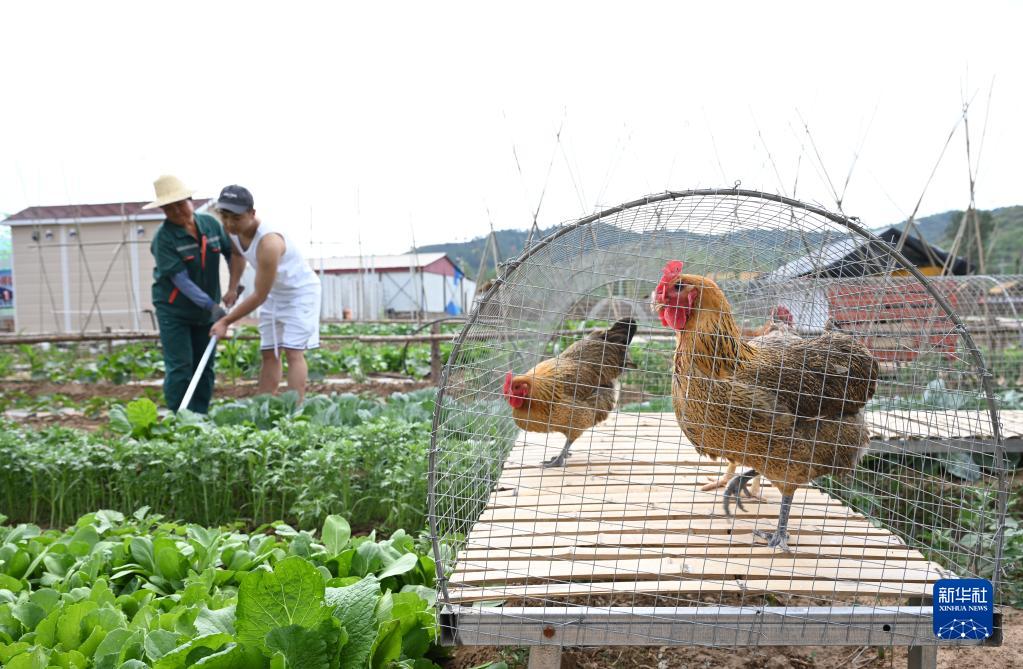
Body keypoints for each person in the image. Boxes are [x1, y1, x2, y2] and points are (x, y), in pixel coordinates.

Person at [211, 185, 321, 402]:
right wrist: (233, 287)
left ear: (252, 213)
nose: (230, 223)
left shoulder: (269, 242)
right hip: (274, 292)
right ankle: (263, 407)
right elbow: (237, 254)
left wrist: (225, 321)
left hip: (299, 292)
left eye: (236, 217)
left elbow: (259, 295)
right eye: (225, 217)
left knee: (292, 351)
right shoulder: (231, 230)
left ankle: (294, 412)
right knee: (269, 352)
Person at [145, 175, 241, 413]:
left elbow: (233, 254)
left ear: (191, 201)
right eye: (169, 208)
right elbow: (181, 281)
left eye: (180, 203)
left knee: (205, 364)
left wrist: (233, 286)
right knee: (181, 365)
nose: (177, 211)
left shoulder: (210, 224)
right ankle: (179, 417)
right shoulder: (164, 238)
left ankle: (200, 415)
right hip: (175, 311)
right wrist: (211, 306)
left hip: (206, 309)